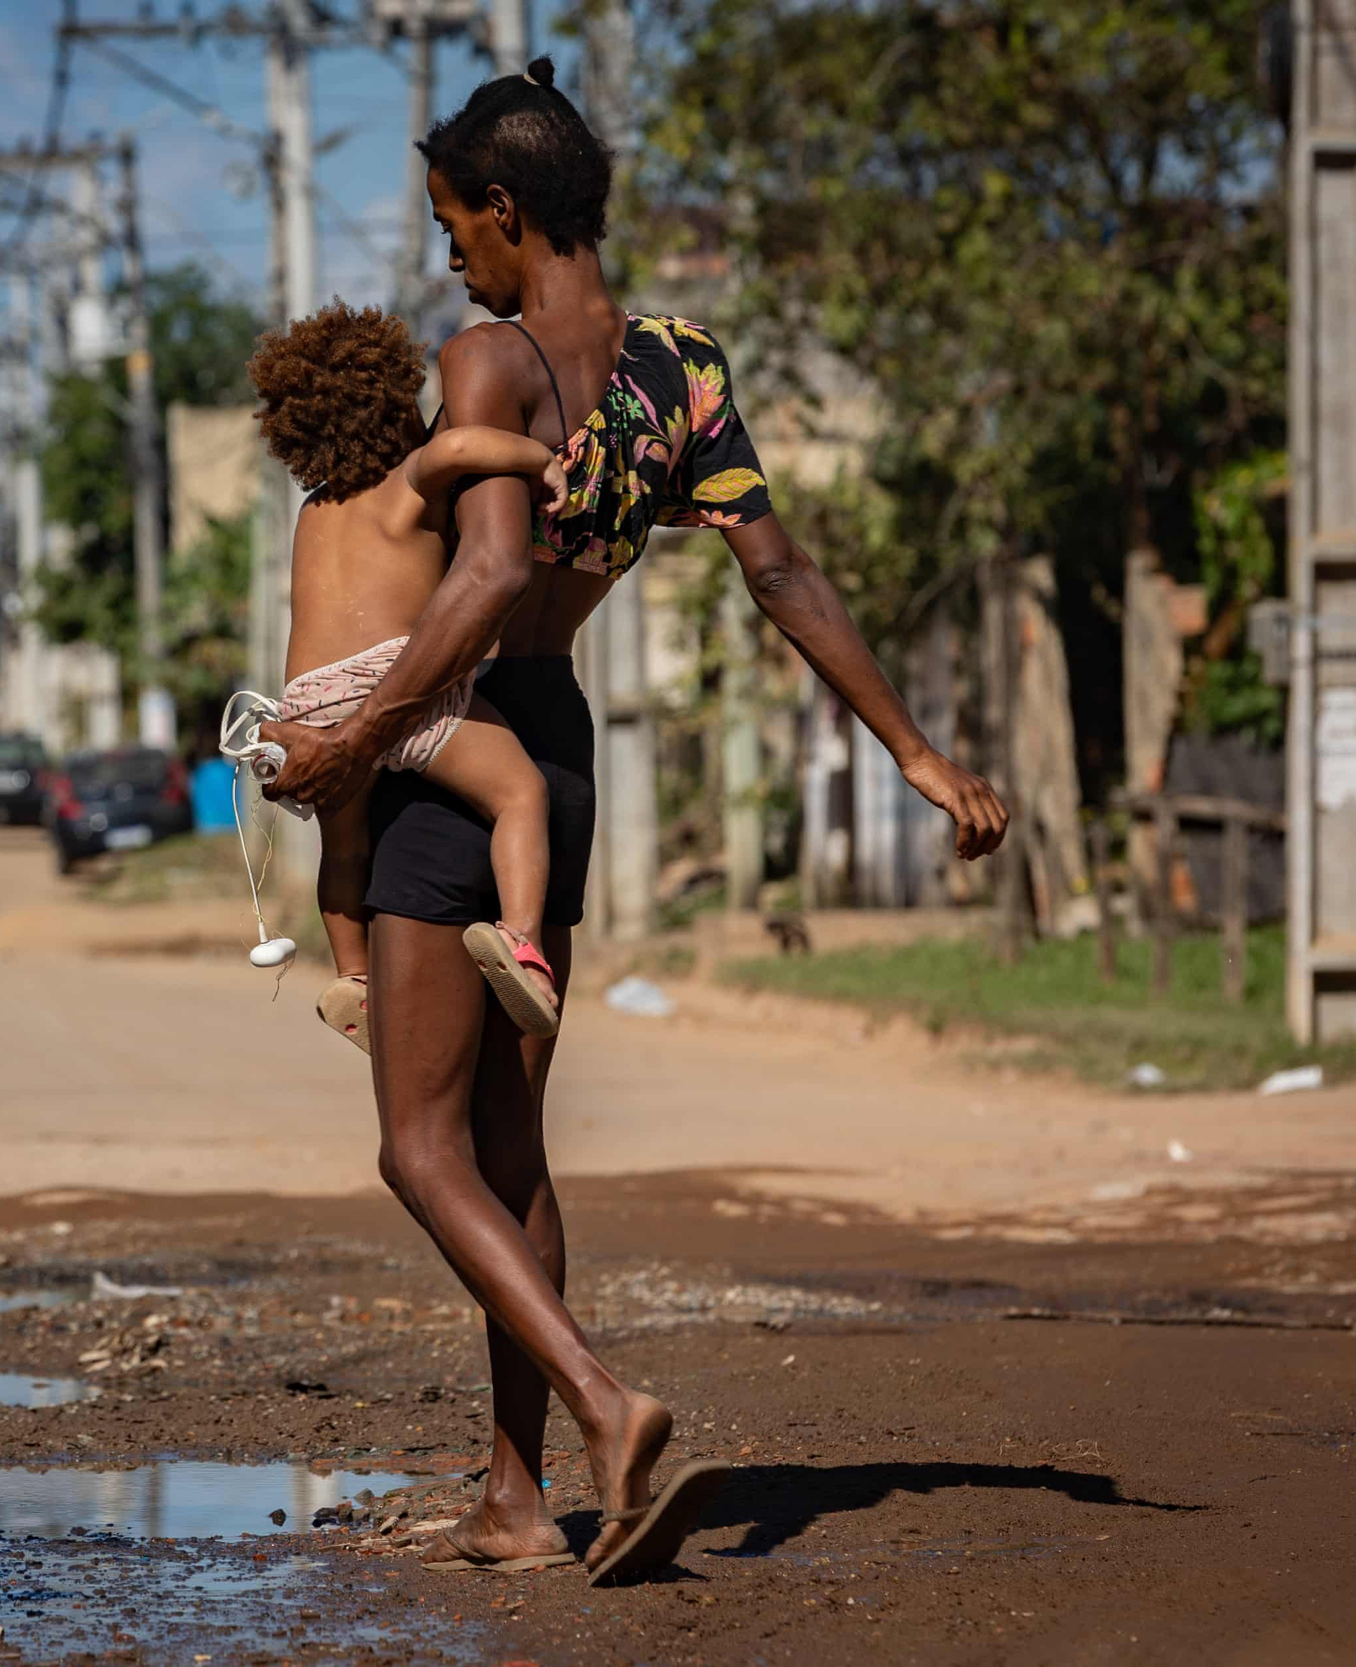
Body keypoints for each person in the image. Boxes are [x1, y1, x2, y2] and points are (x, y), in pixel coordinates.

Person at [259, 58, 1008, 1587]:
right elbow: (783, 574)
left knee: (419, 1145)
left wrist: (357, 736)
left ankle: (604, 1406)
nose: (446, 252)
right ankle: (516, 1497)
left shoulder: (488, 362)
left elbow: (478, 575)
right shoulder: (684, 366)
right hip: (561, 754)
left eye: (453, 220)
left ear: (510, 210)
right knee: (512, 1147)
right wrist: (917, 750)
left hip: (446, 738)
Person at [245, 300, 578, 1051]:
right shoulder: (412, 480)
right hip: (391, 687)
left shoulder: (311, 511)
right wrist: (537, 460)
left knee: (348, 844)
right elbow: (461, 445)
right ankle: (523, 944)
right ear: (394, 397)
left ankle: (353, 976)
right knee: (521, 792)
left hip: (309, 702)